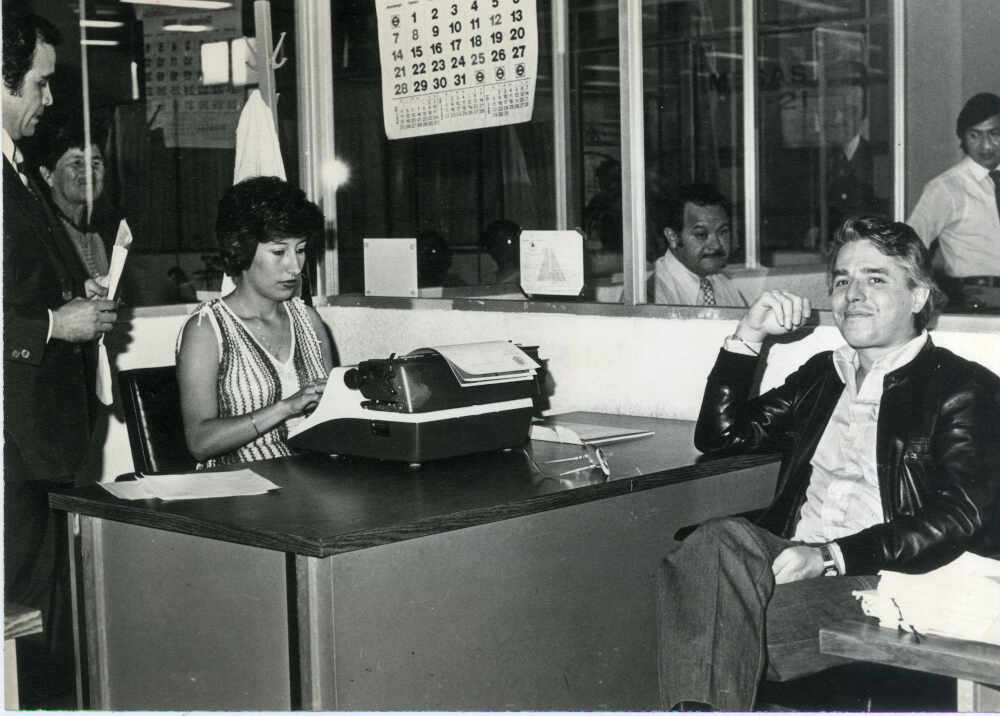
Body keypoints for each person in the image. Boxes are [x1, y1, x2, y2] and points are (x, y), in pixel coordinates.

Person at [656, 215, 1000, 711]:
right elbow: (721, 437)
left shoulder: (963, 386)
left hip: (883, 578)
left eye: (875, 279)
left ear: (918, 296)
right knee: (715, 541)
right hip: (792, 555)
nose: (852, 294)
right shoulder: (824, 374)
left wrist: (831, 555)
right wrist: (750, 333)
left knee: (708, 622)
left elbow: (958, 516)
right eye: (842, 281)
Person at [3, 7, 118, 705]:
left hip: (46, 441)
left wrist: (76, 293)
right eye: (39, 84)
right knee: (26, 620)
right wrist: (53, 323)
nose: (48, 100)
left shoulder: (16, 172)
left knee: (49, 615)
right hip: (17, 444)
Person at [175, 176, 336, 468]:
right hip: (238, 485)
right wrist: (286, 408)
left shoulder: (309, 321)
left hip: (310, 476)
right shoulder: (206, 329)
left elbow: (333, 417)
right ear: (241, 249)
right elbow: (199, 443)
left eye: (300, 250)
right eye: (279, 252)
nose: (295, 267)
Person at [907, 92, 1000, 309]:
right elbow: (908, 248)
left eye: (994, 134)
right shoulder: (945, 188)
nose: (986, 146)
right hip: (975, 302)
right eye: (974, 136)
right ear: (963, 138)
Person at [808, 61, 882, 248]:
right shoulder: (815, 160)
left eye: (847, 110)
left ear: (862, 112)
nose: (837, 119)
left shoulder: (879, 162)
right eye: (831, 110)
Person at [35, 115, 111, 280]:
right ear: (48, 175)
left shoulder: (98, 237)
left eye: (95, 163)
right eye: (77, 163)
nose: (89, 172)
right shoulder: (43, 236)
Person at [652, 183, 746, 306]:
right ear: (672, 237)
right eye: (701, 234)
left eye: (722, 232)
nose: (716, 245)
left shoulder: (723, 283)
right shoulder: (652, 294)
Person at [481, 218, 521, 285]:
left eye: (502, 242)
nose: (496, 248)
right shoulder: (490, 278)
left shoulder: (521, 279)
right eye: (493, 243)